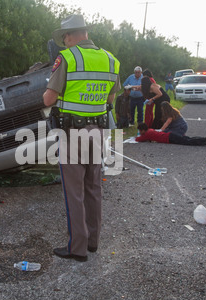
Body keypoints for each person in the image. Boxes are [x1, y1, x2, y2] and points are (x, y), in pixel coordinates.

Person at [43, 14, 121, 262]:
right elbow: (110, 100)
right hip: (98, 132)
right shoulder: (111, 60)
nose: (64, 42)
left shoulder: (67, 57)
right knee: (94, 187)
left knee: (74, 191)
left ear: (70, 35)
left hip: (72, 134)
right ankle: (93, 242)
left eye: (64, 37)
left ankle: (77, 248)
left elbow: (48, 99)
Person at [136, 123, 206, 147]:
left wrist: (137, 137)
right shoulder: (150, 130)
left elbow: (138, 139)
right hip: (170, 135)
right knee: (188, 139)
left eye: (140, 131)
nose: (140, 132)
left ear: (143, 130)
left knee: (188, 141)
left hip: (170, 138)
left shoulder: (147, 133)